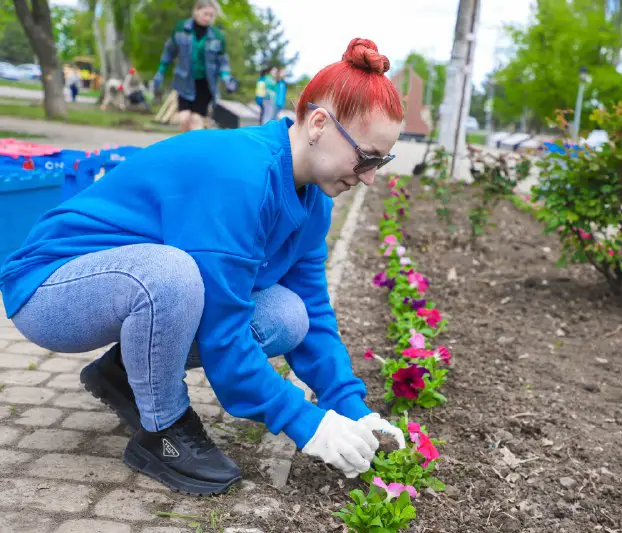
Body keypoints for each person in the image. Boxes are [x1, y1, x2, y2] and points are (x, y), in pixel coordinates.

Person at [0, 38, 404, 496]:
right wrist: (305, 422)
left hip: (134, 288)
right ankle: (163, 430)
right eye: (366, 157)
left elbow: (312, 308)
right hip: (52, 287)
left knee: (290, 313)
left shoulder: (314, 200)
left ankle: (122, 375)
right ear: (317, 124)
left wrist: (352, 408)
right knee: (172, 275)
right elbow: (222, 327)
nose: (370, 176)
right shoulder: (240, 175)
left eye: (382, 160)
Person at [152, 0, 235, 132]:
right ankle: (185, 148)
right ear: (196, 11)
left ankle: (195, 151)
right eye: (205, 14)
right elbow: (169, 52)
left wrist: (227, 77)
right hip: (184, 81)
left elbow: (223, 61)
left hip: (205, 84)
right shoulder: (180, 29)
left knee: (197, 120)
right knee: (184, 118)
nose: (208, 18)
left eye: (211, 15)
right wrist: (160, 72)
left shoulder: (218, 36)